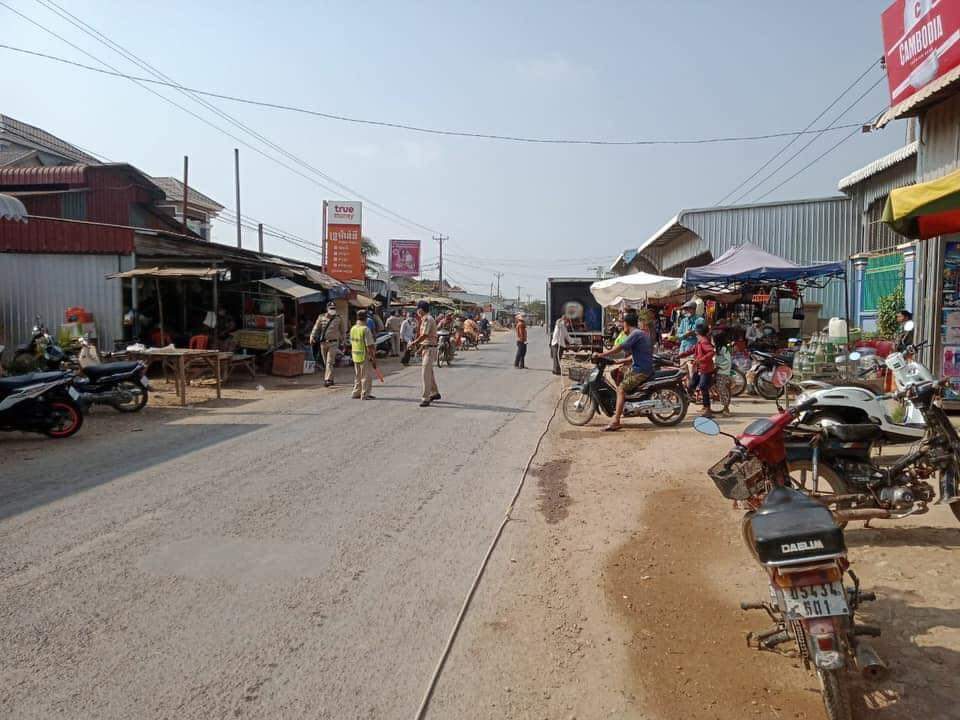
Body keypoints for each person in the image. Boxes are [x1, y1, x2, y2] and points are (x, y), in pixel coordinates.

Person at [594, 310, 652, 432]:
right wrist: (619, 361)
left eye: (623, 324)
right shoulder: (640, 333)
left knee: (620, 389)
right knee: (616, 372)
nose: (622, 326)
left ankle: (616, 421)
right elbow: (636, 355)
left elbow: (619, 347)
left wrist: (601, 354)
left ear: (627, 324)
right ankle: (623, 401)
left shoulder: (635, 334)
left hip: (640, 370)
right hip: (640, 366)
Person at [679, 323, 716, 417]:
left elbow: (711, 352)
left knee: (703, 386)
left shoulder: (703, 341)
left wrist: (700, 360)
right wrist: (679, 355)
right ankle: (684, 405)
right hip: (699, 368)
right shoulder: (699, 341)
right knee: (691, 385)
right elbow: (692, 350)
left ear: (697, 332)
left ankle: (707, 409)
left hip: (705, 369)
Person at [410, 300, 441, 407]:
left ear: (421, 310)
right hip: (426, 348)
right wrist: (419, 349)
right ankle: (435, 393)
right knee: (429, 373)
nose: (417, 312)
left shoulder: (428, 319)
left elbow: (425, 335)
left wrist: (414, 343)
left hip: (430, 349)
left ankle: (425, 398)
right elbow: (425, 338)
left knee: (425, 374)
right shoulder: (425, 319)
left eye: (417, 309)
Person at [310, 302, 347, 387]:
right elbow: (316, 328)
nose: (332, 310)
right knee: (326, 362)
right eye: (331, 308)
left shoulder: (339, 318)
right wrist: (312, 336)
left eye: (334, 308)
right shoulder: (321, 317)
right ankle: (331, 378)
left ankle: (327, 380)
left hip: (333, 343)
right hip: (323, 343)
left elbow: (343, 331)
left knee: (329, 362)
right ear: (327, 309)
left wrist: (343, 341)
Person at [349, 310, 377, 400]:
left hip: (355, 354)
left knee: (358, 375)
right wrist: (372, 357)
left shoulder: (353, 328)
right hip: (364, 355)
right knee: (366, 376)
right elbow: (369, 346)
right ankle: (365, 394)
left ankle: (356, 392)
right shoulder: (365, 329)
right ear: (366, 318)